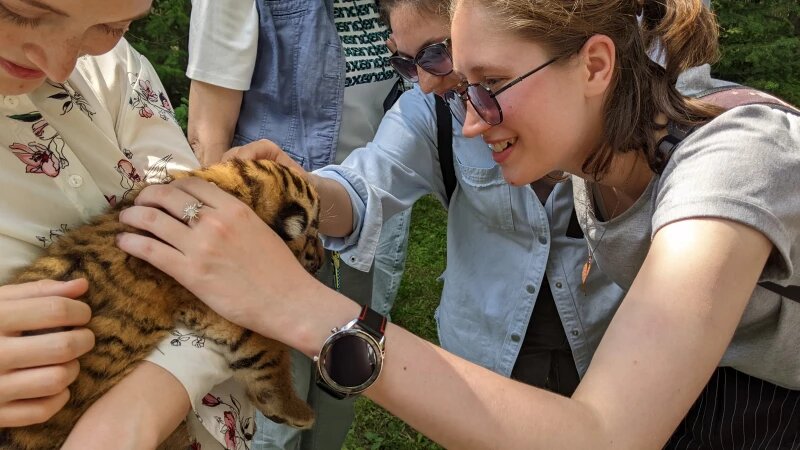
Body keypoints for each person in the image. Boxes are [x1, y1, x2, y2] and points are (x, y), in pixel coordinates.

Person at [118, 0, 800, 448]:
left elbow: (603, 436)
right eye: (414, 66)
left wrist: (297, 305)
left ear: (596, 64)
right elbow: (367, 184)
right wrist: (295, 190)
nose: (467, 119)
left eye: (489, 84)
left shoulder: (729, 162)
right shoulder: (596, 155)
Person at [226, 0, 624, 400]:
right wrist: (298, 190)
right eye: (405, 63)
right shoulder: (431, 108)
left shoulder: (631, 119)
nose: (426, 83)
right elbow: (366, 187)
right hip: (485, 356)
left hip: (609, 348)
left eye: (436, 54)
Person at [0, 1, 259, 448]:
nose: (60, 67)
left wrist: (137, 410)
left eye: (110, 26)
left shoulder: (114, 68)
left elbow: (220, 267)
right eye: (19, 12)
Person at [185, 1, 405, 448]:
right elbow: (207, 131)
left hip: (371, 214)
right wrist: (219, 239)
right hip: (275, 230)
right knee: (277, 393)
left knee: (349, 370)